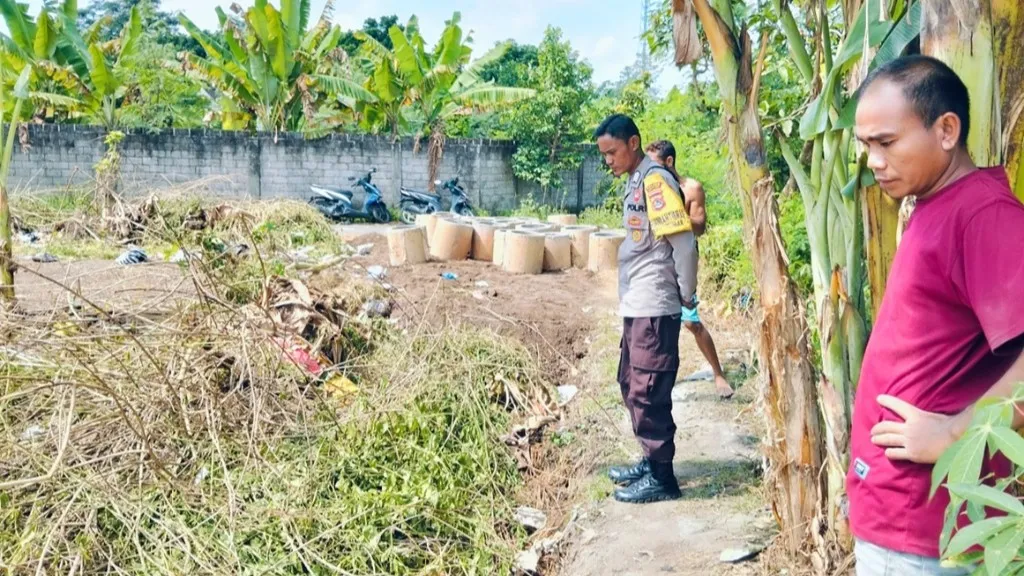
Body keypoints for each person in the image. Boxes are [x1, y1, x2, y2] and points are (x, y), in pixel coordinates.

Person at [848, 55, 1024, 575]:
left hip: (928, 527)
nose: (874, 161)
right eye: (866, 147)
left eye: (887, 143)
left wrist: (955, 435)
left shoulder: (983, 217)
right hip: (895, 514)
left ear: (947, 130)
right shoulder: (935, 204)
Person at [594, 113, 698, 504]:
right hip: (639, 301)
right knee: (630, 381)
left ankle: (662, 478)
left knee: (648, 388)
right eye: (604, 155)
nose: (609, 162)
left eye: (612, 152)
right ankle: (649, 459)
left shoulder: (655, 181)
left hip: (655, 302)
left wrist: (687, 294)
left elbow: (683, 244)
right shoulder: (639, 179)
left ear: (633, 143)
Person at [645, 140, 734, 399]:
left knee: (691, 320)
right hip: (658, 261)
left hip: (683, 259)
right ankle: (658, 377)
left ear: (669, 162)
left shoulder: (691, 188)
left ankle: (718, 374)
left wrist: (675, 218)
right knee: (656, 320)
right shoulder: (651, 187)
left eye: (654, 164)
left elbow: (700, 226)